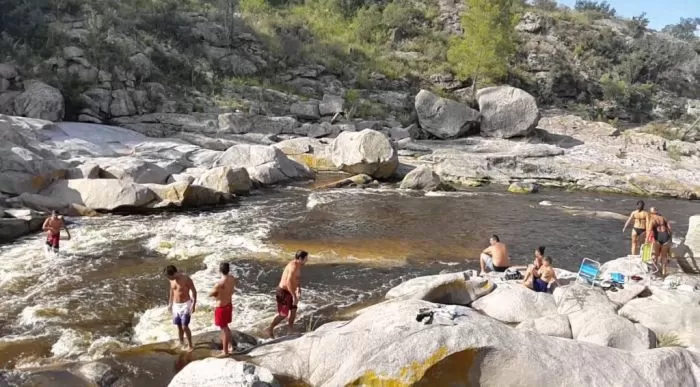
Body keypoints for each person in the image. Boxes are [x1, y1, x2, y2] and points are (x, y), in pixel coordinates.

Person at [265, 250, 308, 338]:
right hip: (283, 292)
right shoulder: (293, 266)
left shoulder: (299, 265)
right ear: (300, 258)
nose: (307, 260)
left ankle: (290, 330)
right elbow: (288, 282)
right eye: (306, 259)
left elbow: (297, 278)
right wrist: (294, 295)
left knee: (293, 310)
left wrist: (298, 288)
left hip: (291, 291)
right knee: (283, 314)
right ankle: (270, 328)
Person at [165, 265, 197, 351]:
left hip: (185, 305)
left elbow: (194, 291)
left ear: (174, 273)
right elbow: (172, 291)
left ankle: (190, 345)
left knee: (184, 326)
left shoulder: (186, 279)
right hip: (176, 305)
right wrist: (170, 303)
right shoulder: (171, 280)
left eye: (169, 277)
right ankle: (181, 342)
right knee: (179, 326)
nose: (168, 279)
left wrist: (193, 304)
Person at [210, 262, 237, 357]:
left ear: (220, 270)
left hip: (221, 307)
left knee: (224, 328)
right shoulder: (232, 279)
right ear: (228, 269)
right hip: (229, 304)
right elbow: (231, 290)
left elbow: (211, 294)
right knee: (226, 326)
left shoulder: (219, 283)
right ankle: (230, 346)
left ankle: (225, 351)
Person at [647, 207, 672, 277]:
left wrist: (647, 241)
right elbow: (670, 229)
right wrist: (670, 240)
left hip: (658, 238)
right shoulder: (663, 218)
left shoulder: (652, 220)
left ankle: (655, 272)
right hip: (665, 237)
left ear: (652, 213)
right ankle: (664, 273)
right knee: (664, 257)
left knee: (655, 256)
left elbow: (649, 232)